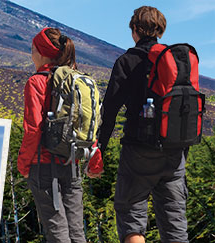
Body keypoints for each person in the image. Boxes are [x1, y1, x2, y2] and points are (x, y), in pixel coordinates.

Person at [98, 6, 189, 243]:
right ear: (160, 29)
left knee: (131, 217)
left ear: (135, 29)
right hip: (174, 151)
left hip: (138, 151)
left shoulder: (127, 61)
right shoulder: (177, 61)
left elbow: (109, 112)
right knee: (175, 226)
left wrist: (99, 150)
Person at [18, 27, 103, 242]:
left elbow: (33, 129)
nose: (32, 56)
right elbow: (88, 124)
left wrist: (24, 165)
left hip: (44, 167)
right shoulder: (75, 81)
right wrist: (94, 161)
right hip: (72, 163)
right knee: (76, 231)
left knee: (57, 231)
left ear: (41, 53)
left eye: (32, 50)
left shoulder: (36, 82)